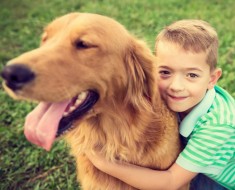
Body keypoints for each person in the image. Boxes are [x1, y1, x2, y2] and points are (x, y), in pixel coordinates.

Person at [86, 19, 235, 190]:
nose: (176, 86)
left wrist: (104, 164)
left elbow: (170, 182)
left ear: (212, 79)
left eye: (192, 75)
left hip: (219, 180)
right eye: (165, 72)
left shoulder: (217, 127)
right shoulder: (186, 95)